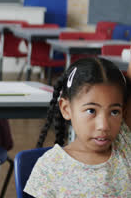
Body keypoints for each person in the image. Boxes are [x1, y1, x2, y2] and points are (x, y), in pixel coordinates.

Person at [25, 57, 131, 196]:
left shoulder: (123, 144)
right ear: (66, 109)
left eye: (114, 112)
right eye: (91, 110)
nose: (104, 126)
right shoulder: (50, 169)